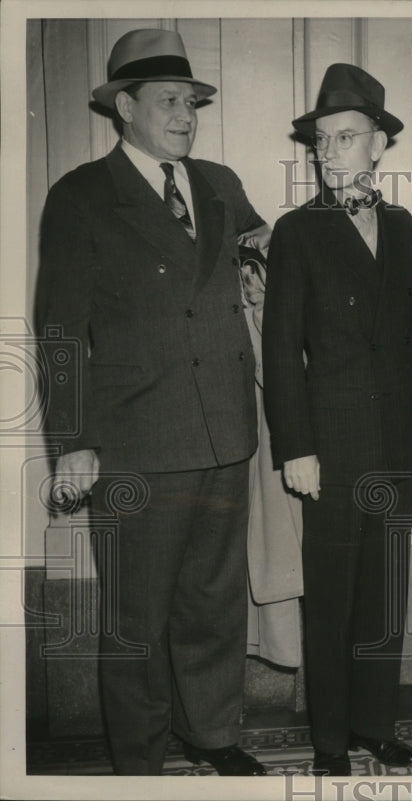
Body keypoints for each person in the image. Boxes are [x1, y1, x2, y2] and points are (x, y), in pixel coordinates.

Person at [35, 28, 270, 775]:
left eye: (192, 102)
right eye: (168, 100)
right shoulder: (81, 195)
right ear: (125, 106)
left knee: (214, 602)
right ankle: (137, 764)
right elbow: (61, 331)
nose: (185, 114)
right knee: (136, 618)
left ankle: (213, 734)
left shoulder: (221, 182)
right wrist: (74, 440)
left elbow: (265, 251)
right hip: (136, 439)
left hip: (225, 431)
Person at [262, 64, 412, 777]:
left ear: (379, 144)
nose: (329, 153)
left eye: (346, 137)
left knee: (383, 590)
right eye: (321, 140)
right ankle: (330, 740)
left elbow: (411, 322)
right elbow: (279, 349)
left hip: (396, 441)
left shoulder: (401, 224)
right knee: (330, 596)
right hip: (328, 445)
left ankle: (374, 723)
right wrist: (296, 447)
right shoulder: (298, 231)